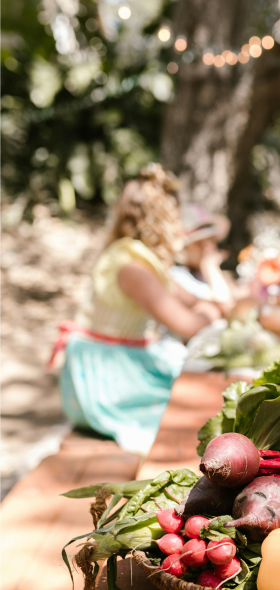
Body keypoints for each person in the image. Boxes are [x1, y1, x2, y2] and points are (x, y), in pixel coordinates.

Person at [56, 165, 221, 455]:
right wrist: (212, 311)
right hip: (106, 378)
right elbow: (186, 323)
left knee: (201, 393)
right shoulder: (132, 266)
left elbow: (186, 299)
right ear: (164, 220)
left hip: (126, 361)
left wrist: (204, 306)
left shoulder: (139, 258)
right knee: (190, 419)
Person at [169, 204, 233, 308]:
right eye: (200, 244)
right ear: (185, 248)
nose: (208, 249)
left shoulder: (200, 276)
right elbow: (224, 304)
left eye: (212, 241)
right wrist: (210, 267)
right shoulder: (177, 276)